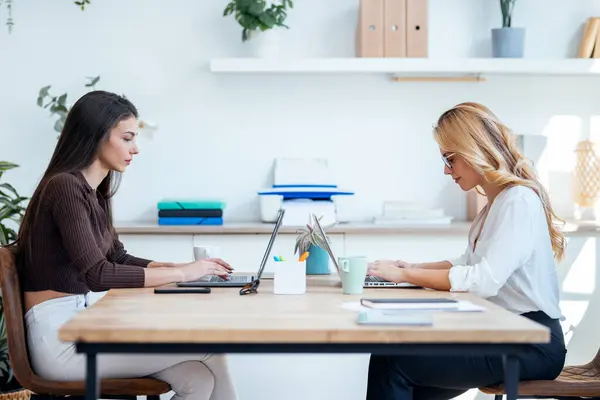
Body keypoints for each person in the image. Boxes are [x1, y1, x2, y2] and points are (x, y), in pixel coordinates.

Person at [10, 90, 237, 400]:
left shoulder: (94, 192)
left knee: (196, 377)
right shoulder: (64, 187)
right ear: (97, 135)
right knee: (211, 350)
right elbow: (98, 274)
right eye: (127, 138)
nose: (136, 149)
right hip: (59, 342)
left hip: (83, 327)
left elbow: (117, 256)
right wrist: (183, 275)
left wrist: (178, 268)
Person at [365, 102, 567, 400]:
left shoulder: (518, 201)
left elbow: (482, 279)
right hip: (503, 334)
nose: (447, 170)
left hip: (531, 343)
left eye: (450, 159)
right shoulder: (497, 205)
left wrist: (407, 274)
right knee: (404, 370)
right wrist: (412, 267)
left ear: (475, 149)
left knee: (392, 362)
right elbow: (467, 263)